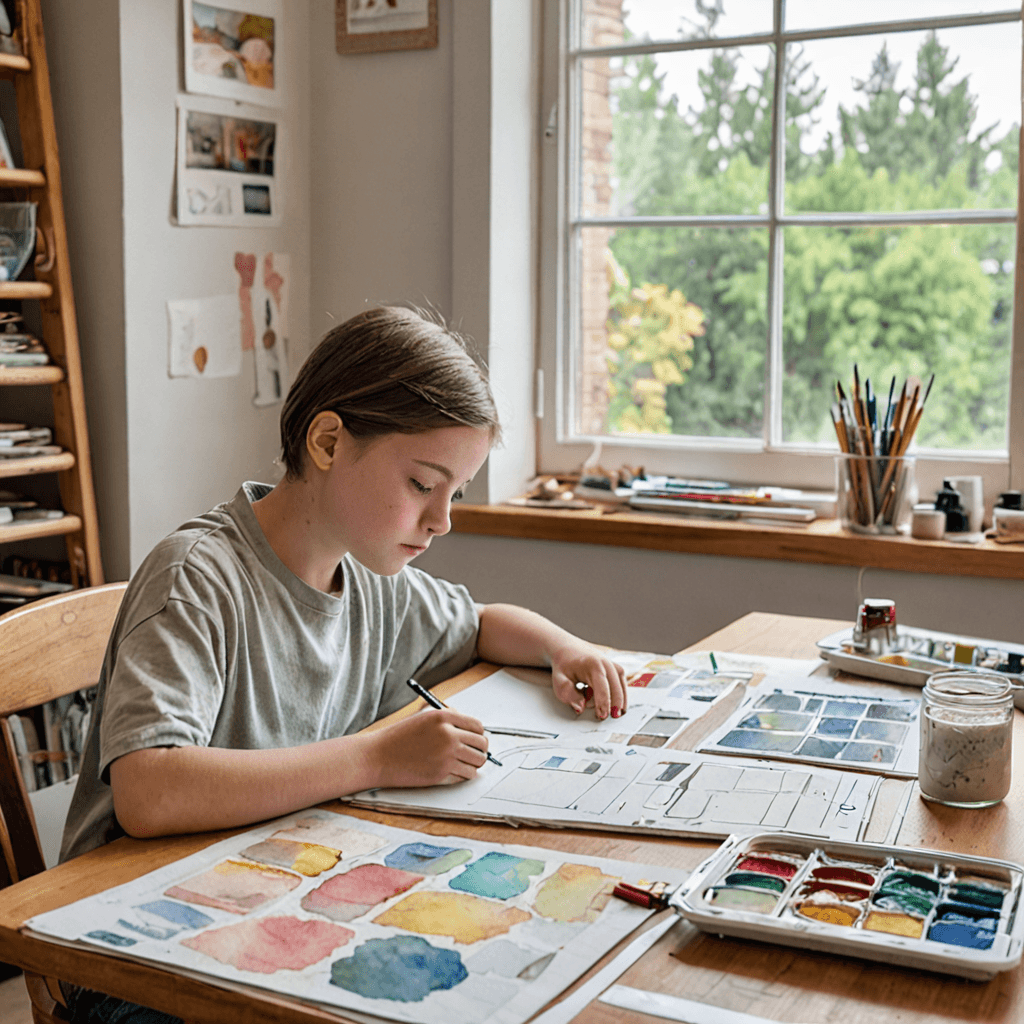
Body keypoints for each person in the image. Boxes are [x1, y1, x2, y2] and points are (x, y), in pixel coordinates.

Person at [59, 305, 628, 1023]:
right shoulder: (198, 577)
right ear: (328, 441)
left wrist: (562, 648)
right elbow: (151, 792)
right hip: (128, 948)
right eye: (424, 485)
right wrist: (374, 759)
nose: (443, 520)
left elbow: (482, 625)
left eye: (456, 493)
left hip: (271, 898)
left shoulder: (367, 581)